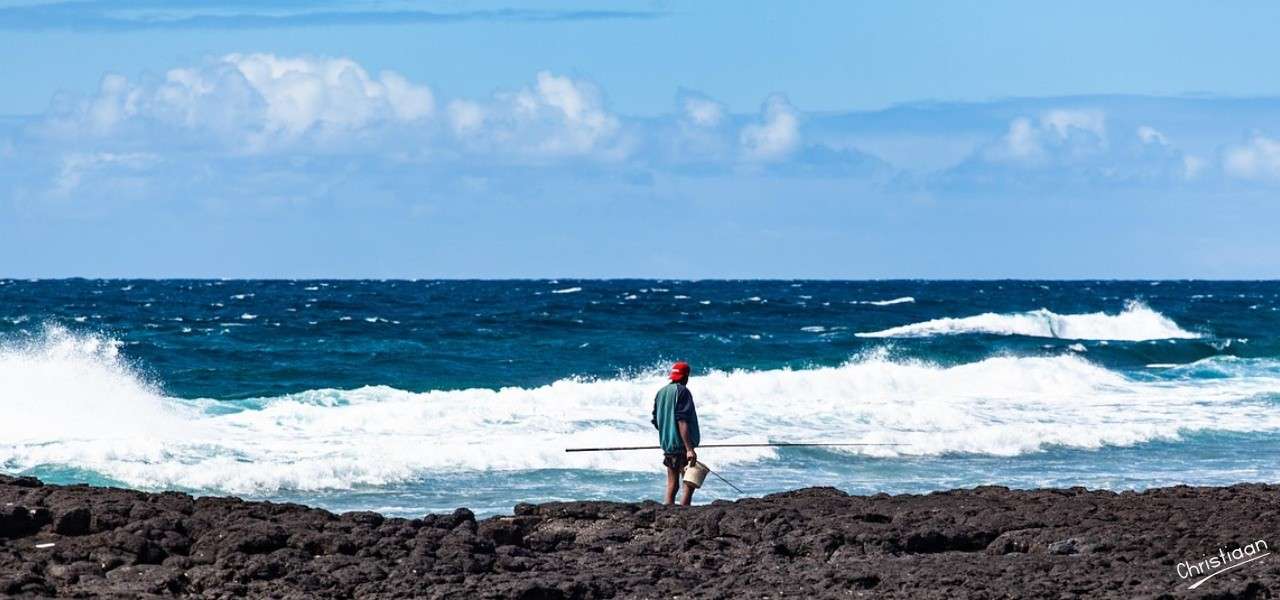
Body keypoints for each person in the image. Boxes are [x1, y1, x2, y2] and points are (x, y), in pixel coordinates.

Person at [651, 360, 700, 505]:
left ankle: (668, 513)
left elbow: (656, 421)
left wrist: (668, 433)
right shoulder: (683, 392)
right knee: (689, 483)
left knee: (672, 484)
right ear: (686, 377)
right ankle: (684, 513)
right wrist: (689, 449)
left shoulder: (661, 392)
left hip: (668, 446)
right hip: (682, 447)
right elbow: (682, 421)